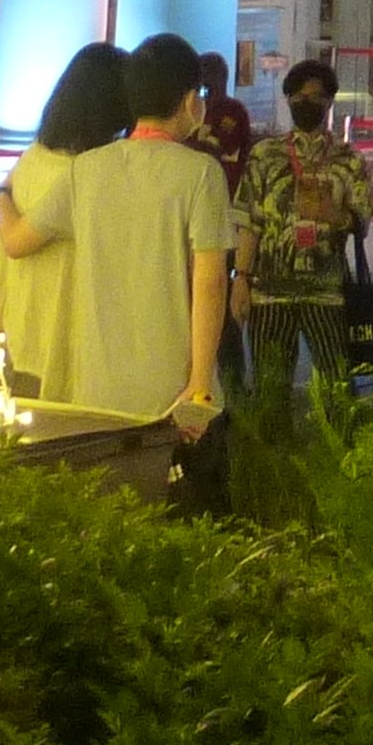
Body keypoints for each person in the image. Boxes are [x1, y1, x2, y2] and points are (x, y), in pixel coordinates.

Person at [48, 32, 236, 480]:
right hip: (171, 394)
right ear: (192, 101)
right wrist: (201, 386)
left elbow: (20, 239)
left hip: (96, 388)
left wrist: (2, 196)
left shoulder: (85, 169)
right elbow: (209, 283)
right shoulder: (200, 173)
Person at [0, 40, 130, 401]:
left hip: (22, 321)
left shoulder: (34, 156)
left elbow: (7, 217)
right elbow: (17, 242)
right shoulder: (84, 175)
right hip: (63, 331)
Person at [234, 56, 373, 419]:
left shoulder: (348, 160)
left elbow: (362, 221)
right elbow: (250, 222)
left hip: (326, 290)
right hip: (269, 289)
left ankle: (339, 465)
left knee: (336, 387)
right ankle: (270, 468)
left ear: (329, 101)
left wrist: (337, 215)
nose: (305, 102)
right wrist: (240, 279)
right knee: (269, 390)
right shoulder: (265, 155)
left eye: (314, 96)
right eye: (296, 95)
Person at [194, 50, 255, 189]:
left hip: (227, 184)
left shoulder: (234, 111)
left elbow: (223, 148)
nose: (205, 92)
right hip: (198, 182)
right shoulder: (195, 108)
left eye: (209, 84)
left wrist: (203, 141)